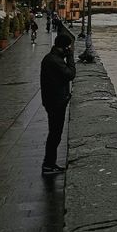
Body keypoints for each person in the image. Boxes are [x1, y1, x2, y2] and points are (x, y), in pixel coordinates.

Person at [40, 33, 75, 176]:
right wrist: (71, 57)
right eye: (69, 46)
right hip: (56, 102)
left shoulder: (51, 58)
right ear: (64, 47)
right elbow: (70, 74)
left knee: (55, 134)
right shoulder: (54, 60)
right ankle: (48, 165)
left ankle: (49, 164)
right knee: (55, 134)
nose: (70, 49)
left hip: (53, 101)